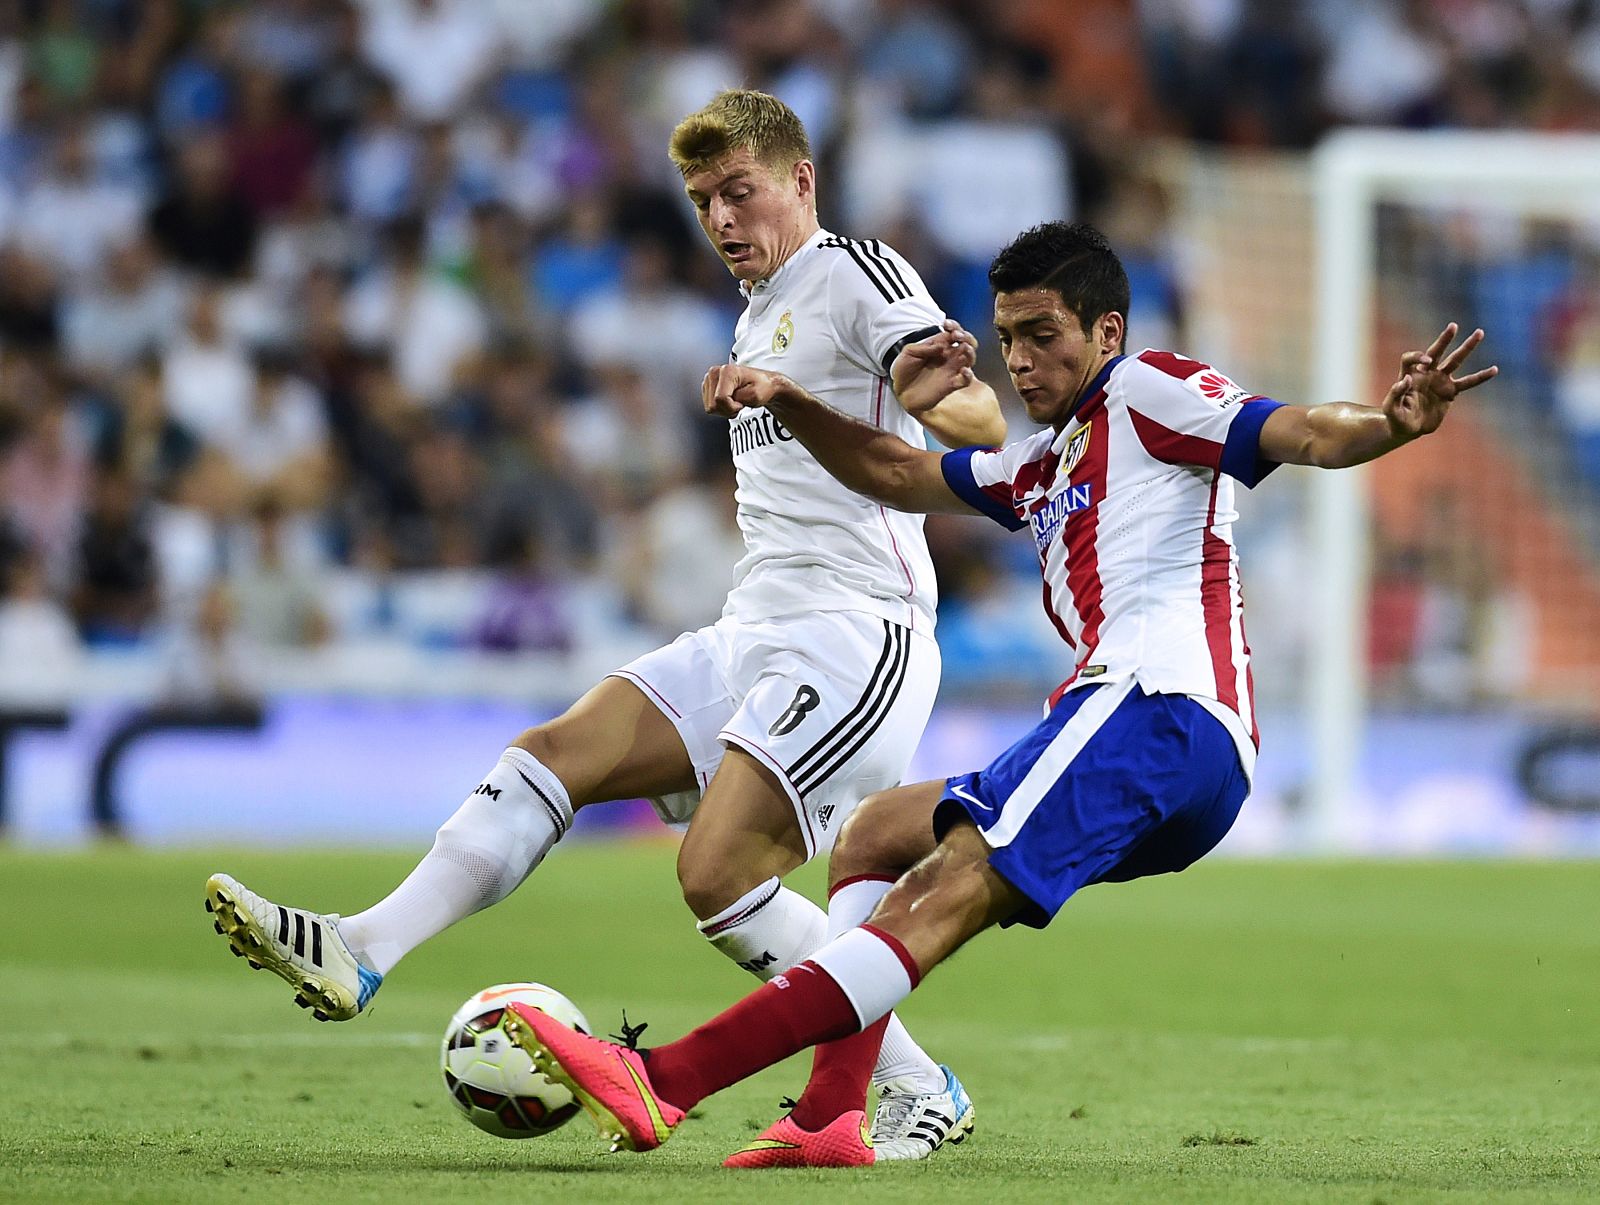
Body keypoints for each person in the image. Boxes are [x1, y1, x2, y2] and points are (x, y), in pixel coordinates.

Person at [488, 221, 1498, 1168]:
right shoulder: (1037, 462)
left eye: (1043, 335)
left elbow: (1302, 431)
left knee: (942, 893)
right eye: (1007, 336)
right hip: (1148, 736)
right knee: (878, 834)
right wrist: (790, 402)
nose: (1020, 361)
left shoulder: (1148, 388)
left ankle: (662, 1077)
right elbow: (894, 466)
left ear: (1106, 330)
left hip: (1156, 704)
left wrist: (1387, 424)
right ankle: (832, 1111)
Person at [202, 89, 1005, 1159]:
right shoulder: (758, 306)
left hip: (859, 633)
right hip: (752, 625)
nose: (721, 219)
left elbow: (967, 411)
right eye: (702, 200)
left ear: (800, 182)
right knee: (553, 752)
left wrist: (950, 400)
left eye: (740, 192)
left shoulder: (855, 271)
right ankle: (359, 946)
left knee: (716, 875)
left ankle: (913, 1079)